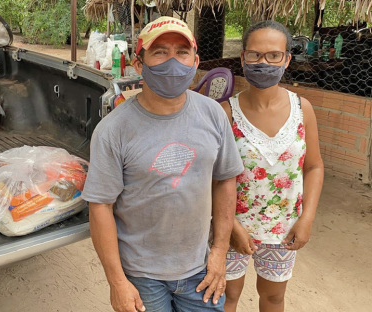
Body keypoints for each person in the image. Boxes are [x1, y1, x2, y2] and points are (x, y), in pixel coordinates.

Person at [82, 16, 244, 312]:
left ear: (195, 62)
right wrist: (117, 282)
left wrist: (219, 251)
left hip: (200, 268)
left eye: (182, 52)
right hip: (141, 274)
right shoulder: (113, 129)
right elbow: (100, 206)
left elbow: (225, 180)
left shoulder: (213, 114)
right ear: (138, 64)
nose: (173, 62)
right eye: (160, 52)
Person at [220, 21, 324, 312]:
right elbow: (210, 177)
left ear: (287, 59)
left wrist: (306, 219)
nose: (263, 62)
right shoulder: (225, 112)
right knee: (225, 297)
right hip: (232, 228)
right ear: (242, 58)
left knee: (274, 298)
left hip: (283, 230)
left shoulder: (303, 109)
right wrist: (228, 225)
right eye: (254, 55)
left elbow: (314, 166)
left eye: (273, 55)